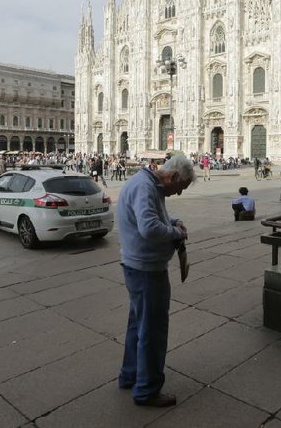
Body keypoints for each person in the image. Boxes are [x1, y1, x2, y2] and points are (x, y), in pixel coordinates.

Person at [117, 154, 195, 408]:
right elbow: (149, 228)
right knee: (153, 331)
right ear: (172, 176)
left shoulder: (148, 183)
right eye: (180, 188)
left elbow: (153, 217)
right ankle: (147, 390)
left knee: (137, 326)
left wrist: (173, 221)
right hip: (147, 271)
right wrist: (177, 232)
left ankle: (130, 376)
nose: (178, 194)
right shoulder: (145, 187)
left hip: (138, 268)